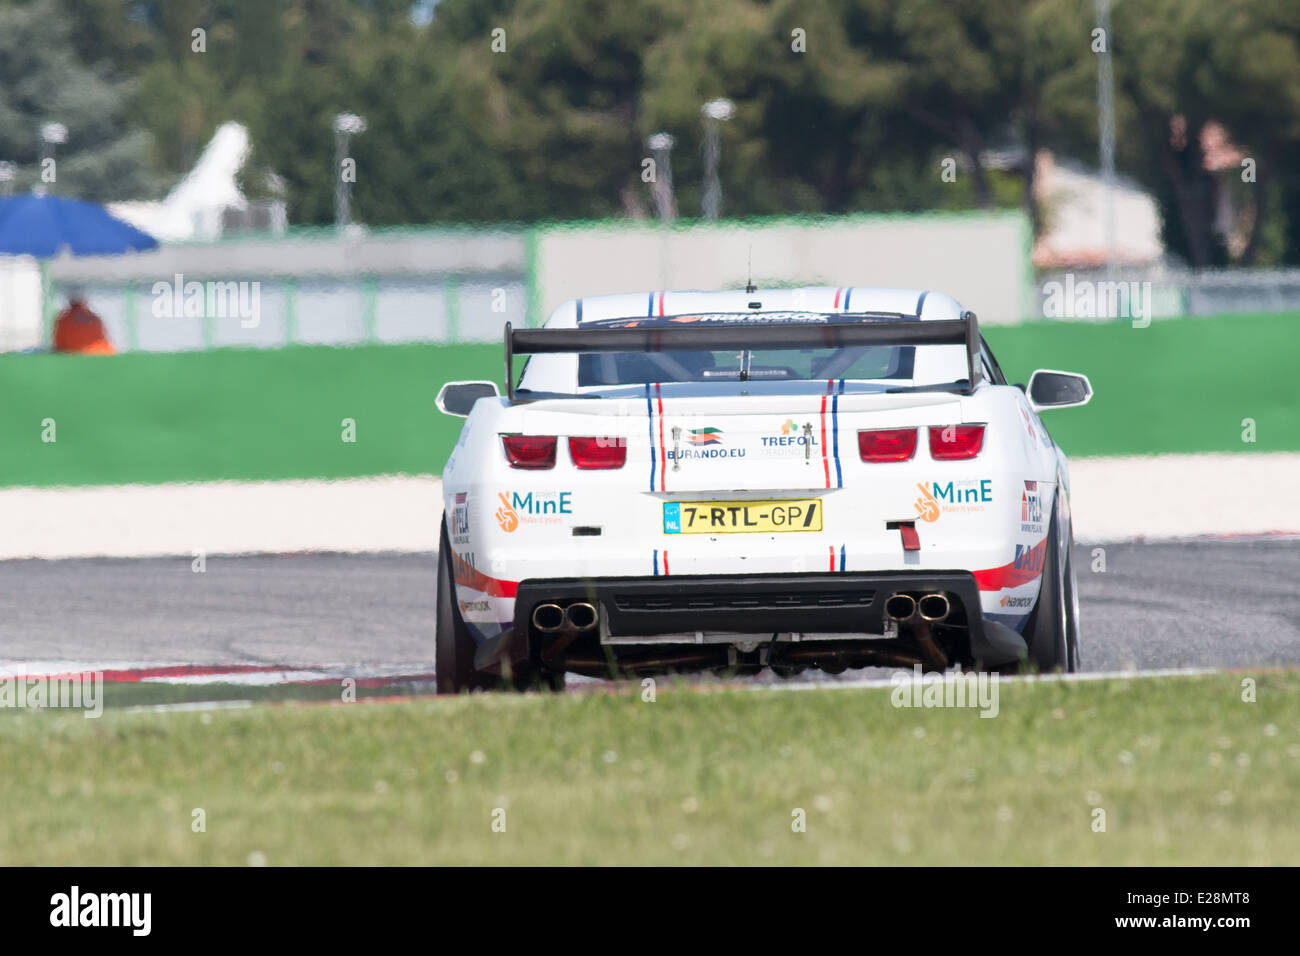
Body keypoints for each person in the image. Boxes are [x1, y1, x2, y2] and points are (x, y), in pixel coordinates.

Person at [52, 290, 115, 355]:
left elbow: (59, 347)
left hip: (80, 356)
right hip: (104, 353)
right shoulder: (94, 317)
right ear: (85, 302)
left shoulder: (64, 319)